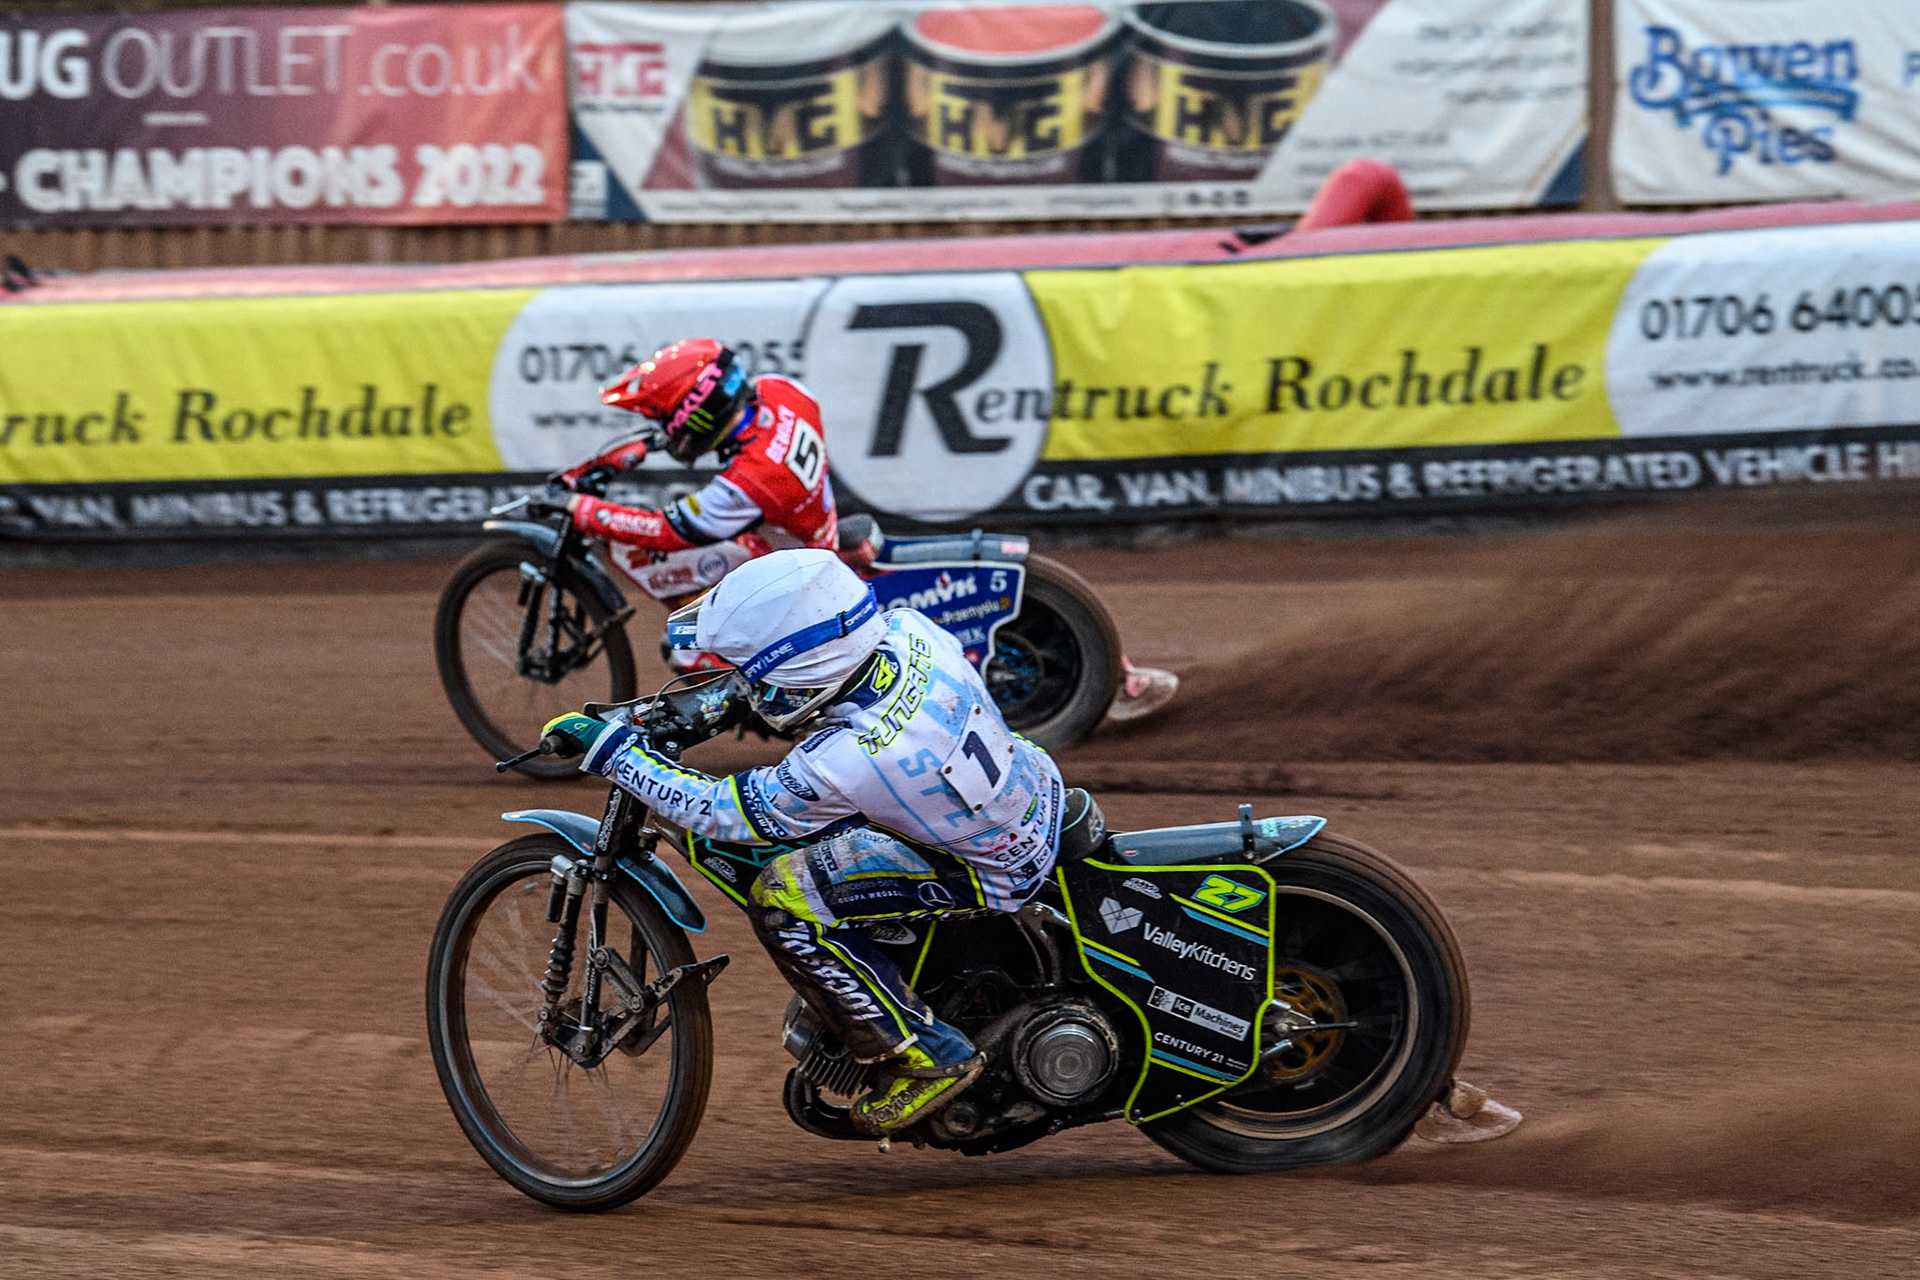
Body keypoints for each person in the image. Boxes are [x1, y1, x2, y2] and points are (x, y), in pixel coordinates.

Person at [542, 548, 1063, 1135]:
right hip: (1035, 791)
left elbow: (724, 813)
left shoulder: (849, 758)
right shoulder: (912, 631)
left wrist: (613, 754)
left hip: (988, 866)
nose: (750, 681)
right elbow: (797, 674)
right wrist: (712, 701)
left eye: (753, 670)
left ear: (800, 668)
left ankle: (926, 1057)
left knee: (783, 896)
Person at [566, 336, 1179, 717]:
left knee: (694, 616)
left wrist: (587, 512)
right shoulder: (781, 392)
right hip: (809, 527)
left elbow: (677, 528)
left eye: (671, 420)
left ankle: (775, 693)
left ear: (698, 413)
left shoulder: (753, 478)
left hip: (809, 569)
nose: (669, 432)